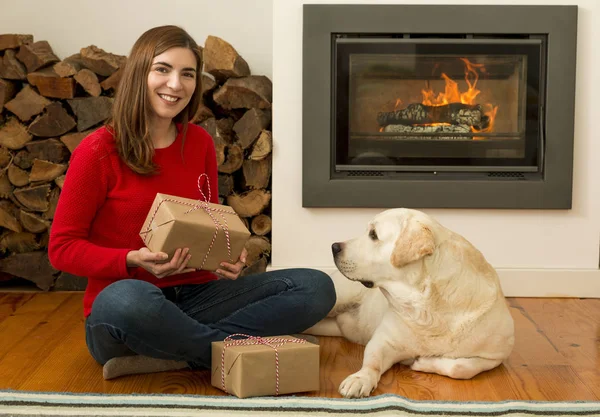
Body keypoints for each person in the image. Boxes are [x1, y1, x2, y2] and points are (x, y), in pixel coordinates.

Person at [48, 25, 336, 380]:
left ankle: (183, 353)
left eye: (187, 74)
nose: (176, 85)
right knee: (124, 299)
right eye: (163, 69)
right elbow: (62, 248)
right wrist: (130, 260)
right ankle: (232, 354)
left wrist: (225, 257)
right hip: (129, 311)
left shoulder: (198, 142)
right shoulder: (98, 151)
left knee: (315, 287)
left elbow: (207, 223)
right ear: (140, 73)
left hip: (198, 298)